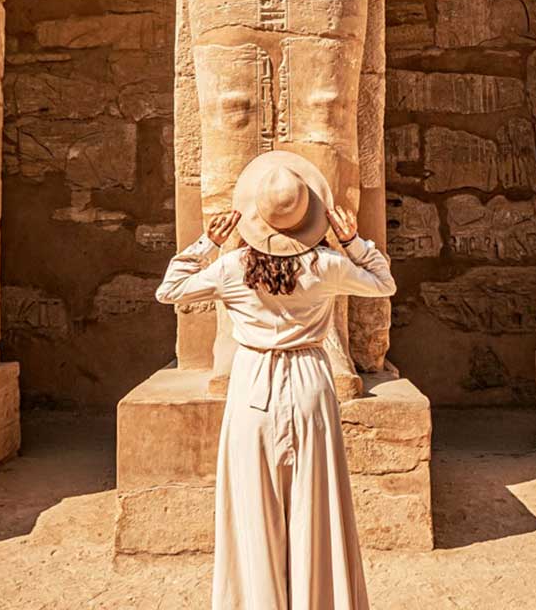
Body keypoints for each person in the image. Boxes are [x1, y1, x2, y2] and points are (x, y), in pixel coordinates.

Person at [155, 151, 396, 610]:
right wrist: (353, 241)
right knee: (315, 508)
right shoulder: (326, 266)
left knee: (253, 511)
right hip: (310, 380)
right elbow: (382, 283)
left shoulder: (231, 269)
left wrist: (206, 243)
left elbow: (170, 290)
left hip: (252, 385)